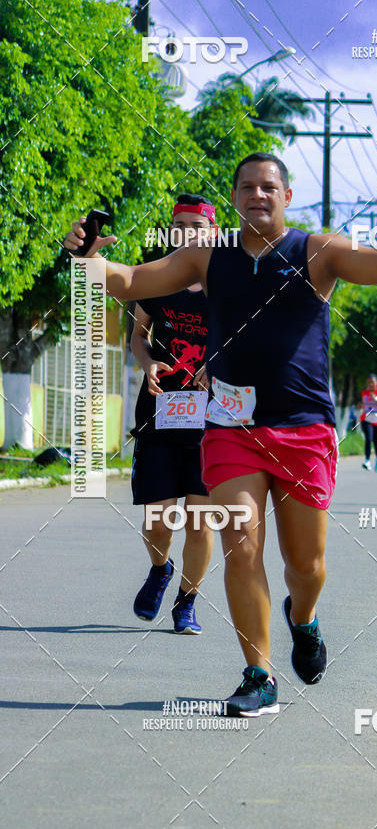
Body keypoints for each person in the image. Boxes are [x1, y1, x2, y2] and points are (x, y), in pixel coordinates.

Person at [64, 151, 377, 716]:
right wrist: (83, 259)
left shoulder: (317, 251)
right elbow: (129, 281)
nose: (257, 194)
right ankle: (259, 676)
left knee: (305, 565)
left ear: (287, 196)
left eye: (268, 187)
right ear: (233, 196)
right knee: (241, 546)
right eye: (246, 186)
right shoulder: (207, 254)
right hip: (230, 425)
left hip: (303, 429)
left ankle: (304, 618)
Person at [131, 195, 215, 633]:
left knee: (200, 525)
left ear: (212, 232)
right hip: (159, 415)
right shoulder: (156, 279)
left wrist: (219, 365)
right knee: (158, 519)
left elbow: (252, 343)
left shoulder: (228, 289)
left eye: (194, 225)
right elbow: (138, 337)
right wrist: (146, 363)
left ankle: (187, 601)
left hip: (212, 424)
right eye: (178, 224)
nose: (185, 231)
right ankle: (161, 568)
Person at [359, 374, 377, 471]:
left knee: (376, 441)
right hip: (366, 419)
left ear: (376, 383)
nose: (370, 384)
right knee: (368, 438)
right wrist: (359, 405)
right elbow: (362, 404)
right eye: (368, 382)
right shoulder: (364, 393)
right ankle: (367, 461)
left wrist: (376, 399)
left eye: (372, 382)